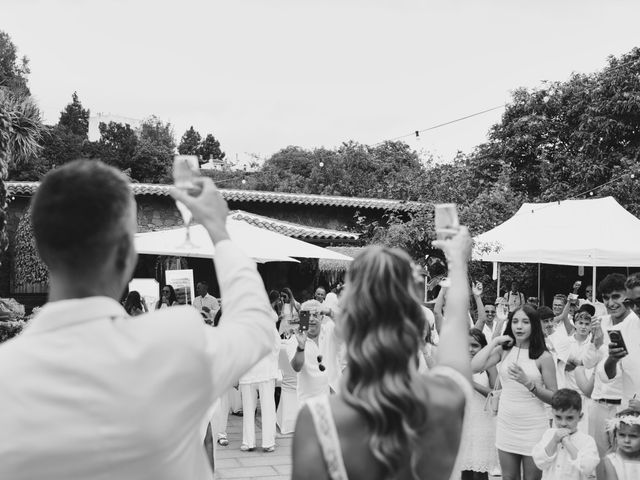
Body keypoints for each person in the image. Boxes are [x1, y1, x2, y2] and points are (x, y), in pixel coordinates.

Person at [0, 160, 275, 480]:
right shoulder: (176, 343)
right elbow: (255, 326)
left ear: (43, 252)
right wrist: (219, 230)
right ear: (127, 255)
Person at [292, 227, 473, 480]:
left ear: (350, 325)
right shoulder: (447, 397)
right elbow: (455, 323)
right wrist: (458, 262)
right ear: (413, 323)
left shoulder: (318, 421)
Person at [472, 304, 558, 480]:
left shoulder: (544, 357)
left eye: (525, 322)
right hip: (506, 424)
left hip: (533, 426)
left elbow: (555, 398)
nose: (519, 327)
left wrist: (529, 383)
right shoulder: (504, 350)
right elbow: (474, 366)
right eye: (515, 321)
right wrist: (495, 341)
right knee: (509, 477)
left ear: (534, 325)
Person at [582, 274, 635, 478]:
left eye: (616, 296)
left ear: (627, 296)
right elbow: (587, 363)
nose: (611, 303)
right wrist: (596, 342)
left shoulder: (635, 323)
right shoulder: (600, 322)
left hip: (624, 406)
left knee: (625, 466)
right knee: (601, 465)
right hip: (597, 403)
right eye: (606, 298)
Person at [457, 328, 498, 480]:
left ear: (483, 347)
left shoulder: (489, 366)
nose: (470, 349)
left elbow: (495, 394)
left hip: (482, 424)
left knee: (479, 473)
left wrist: (471, 382)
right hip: (462, 423)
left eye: (475, 345)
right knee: (464, 471)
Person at [532, 389, 599, 480]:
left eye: (569, 418)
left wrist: (568, 443)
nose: (563, 423)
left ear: (580, 417)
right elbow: (540, 463)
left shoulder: (587, 441)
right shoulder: (549, 434)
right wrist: (554, 441)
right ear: (553, 414)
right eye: (558, 417)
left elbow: (587, 468)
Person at [238, 312, 280, 453]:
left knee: (267, 407)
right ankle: (248, 441)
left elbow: (276, 347)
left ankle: (268, 441)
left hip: (264, 371)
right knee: (249, 409)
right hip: (248, 371)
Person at [287, 299, 342, 402]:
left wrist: (329, 312)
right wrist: (301, 347)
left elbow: (349, 324)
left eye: (315, 315)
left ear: (321, 316)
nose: (311, 319)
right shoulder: (294, 340)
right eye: (307, 315)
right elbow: (297, 367)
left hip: (336, 397)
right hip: (311, 401)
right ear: (301, 317)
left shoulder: (330, 330)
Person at [603, 409, 640, 480]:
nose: (627, 441)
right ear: (615, 435)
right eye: (622, 435)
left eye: (633, 436)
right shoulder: (611, 461)